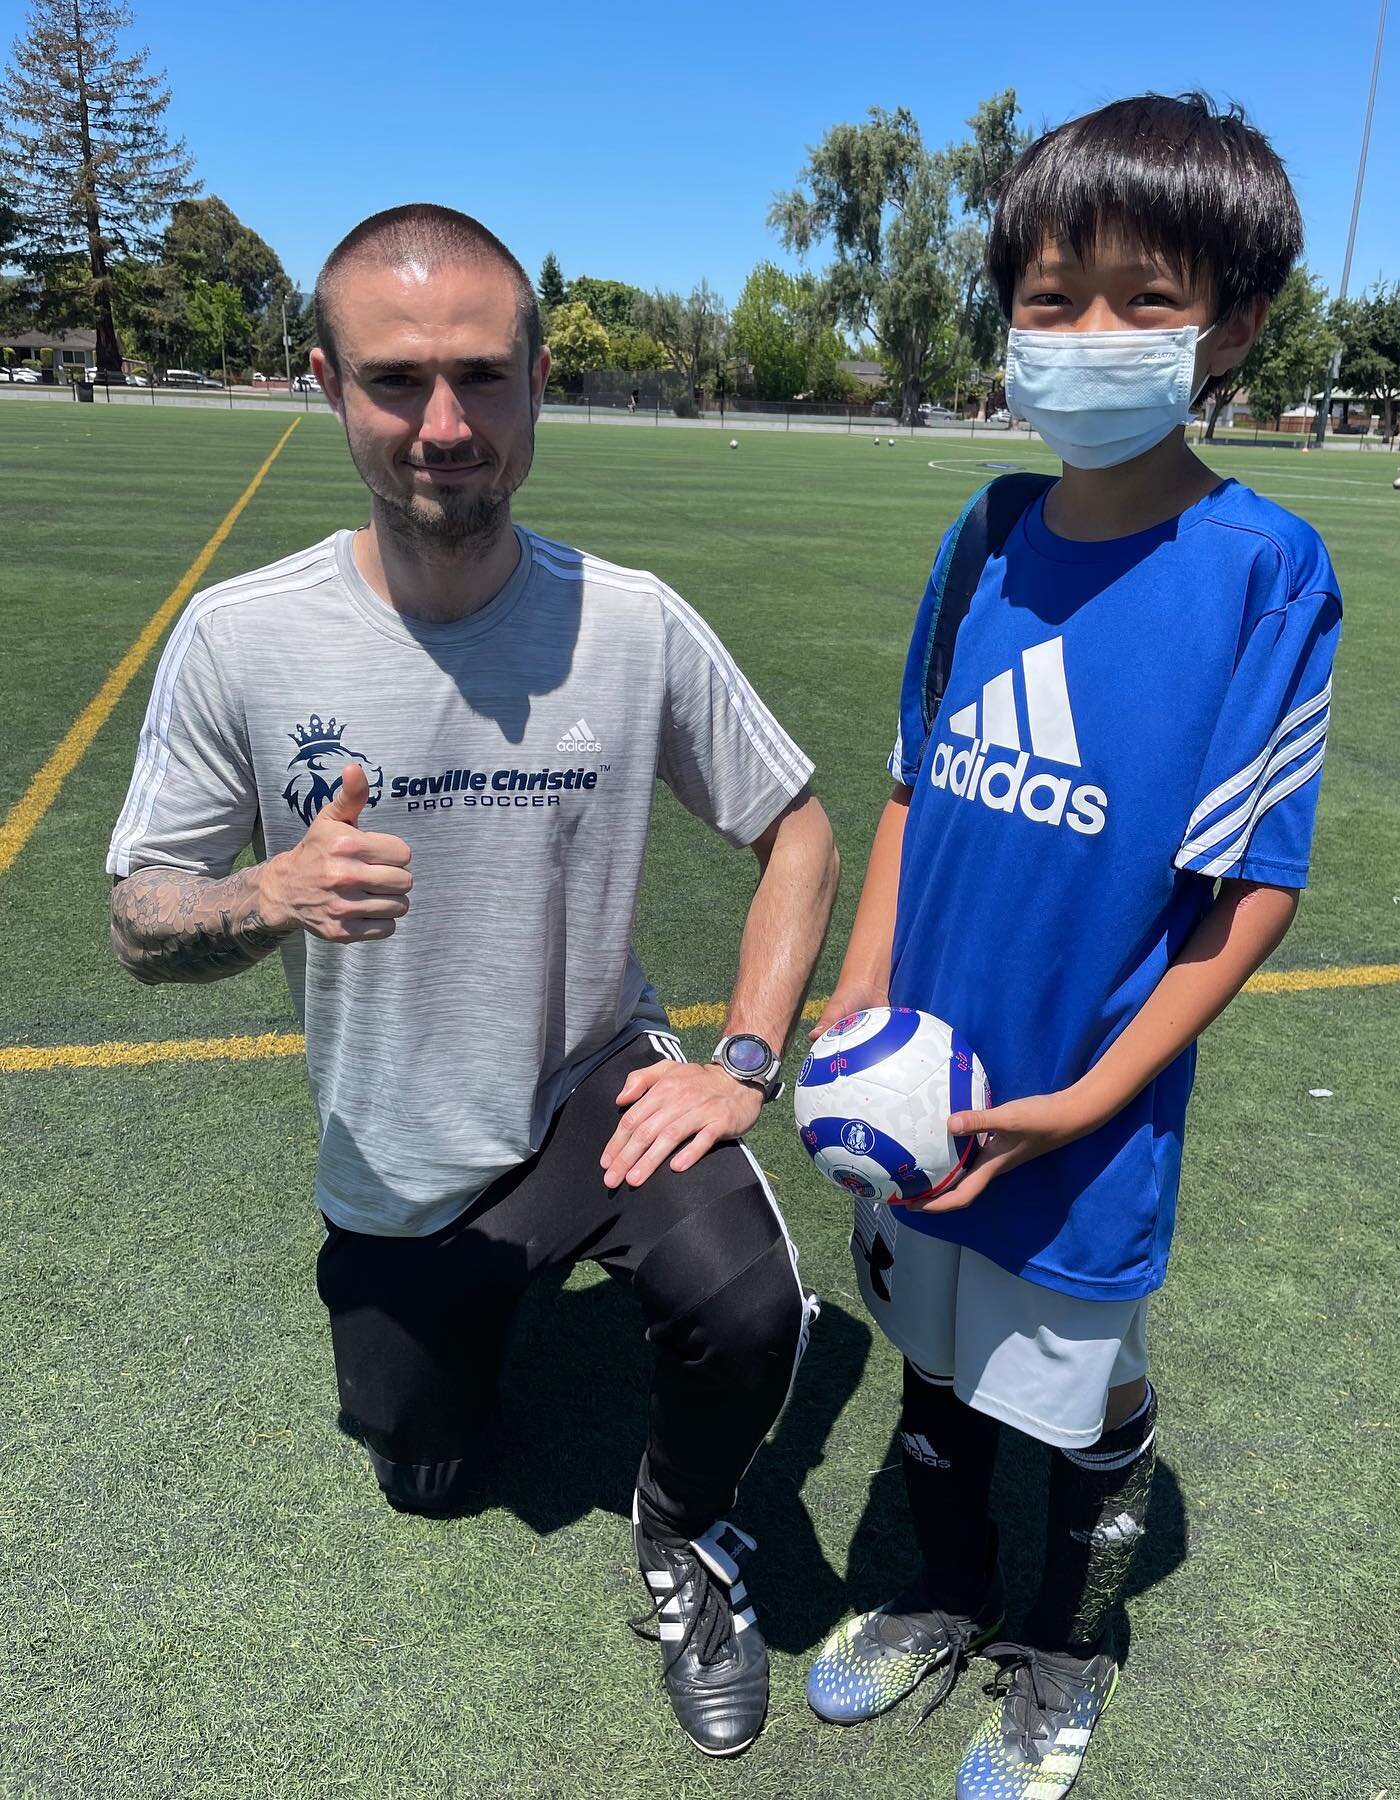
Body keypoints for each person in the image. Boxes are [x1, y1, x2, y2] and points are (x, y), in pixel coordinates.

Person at [107, 203, 839, 1761]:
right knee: (424, 1453)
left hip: (597, 1086)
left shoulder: (630, 624)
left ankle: (688, 1536)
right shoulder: (241, 643)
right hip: (397, 1160)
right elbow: (135, 921)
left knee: (747, 1303)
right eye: (395, 382)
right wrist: (266, 890)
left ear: (536, 381)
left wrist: (748, 1055)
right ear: (326, 383)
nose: (443, 427)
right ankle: (459, 1335)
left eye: (480, 378)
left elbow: (799, 826)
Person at [805, 94, 1341, 1798]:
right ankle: (945, 1592)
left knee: (1073, 1396)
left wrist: (1092, 1095)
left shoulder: (1265, 571)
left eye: (1139, 296)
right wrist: (859, 985)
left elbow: (1252, 885)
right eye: (1051, 297)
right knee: (935, 1364)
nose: (1086, 334)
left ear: (1232, 323)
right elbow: (908, 787)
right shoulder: (984, 535)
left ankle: (1065, 1648)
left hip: (1080, 1121)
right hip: (920, 1095)